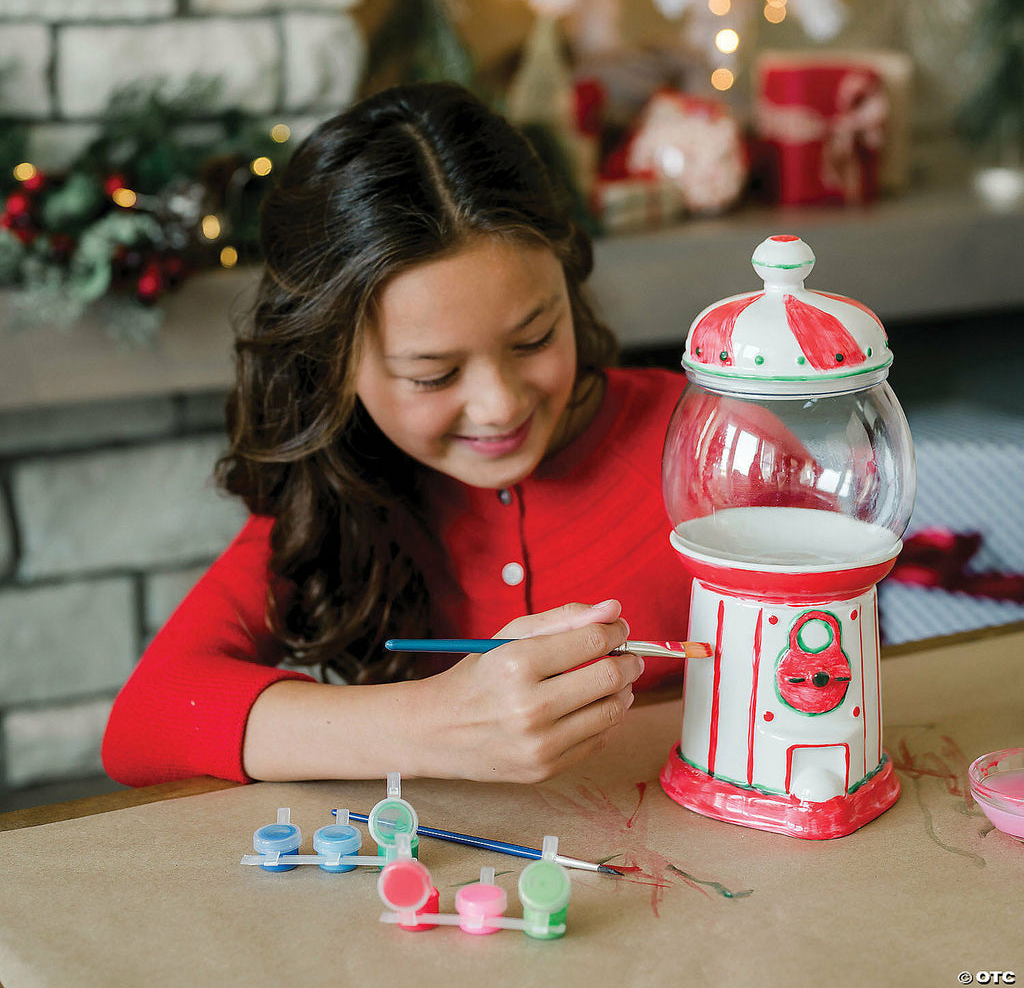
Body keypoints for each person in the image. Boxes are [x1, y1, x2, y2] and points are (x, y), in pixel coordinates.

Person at [101, 81, 692, 789]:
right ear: (335, 367)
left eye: (534, 338)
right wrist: (433, 726)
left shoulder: (707, 446)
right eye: (432, 375)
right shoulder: (344, 490)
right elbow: (145, 723)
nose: (500, 405)